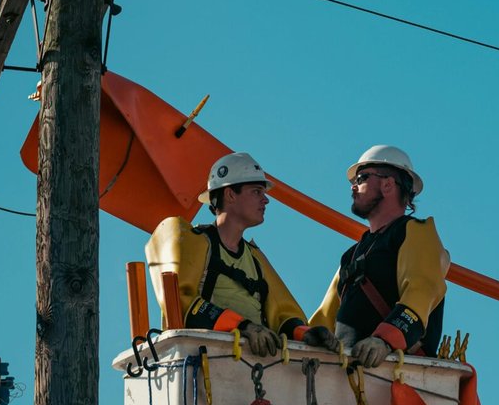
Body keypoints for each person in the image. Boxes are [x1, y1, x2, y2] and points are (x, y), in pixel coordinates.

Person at [145, 152, 338, 357]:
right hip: (205, 363)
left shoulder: (255, 259)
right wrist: (244, 327)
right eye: (256, 192)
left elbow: (284, 314)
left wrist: (306, 334)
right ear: (230, 194)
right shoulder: (196, 242)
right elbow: (183, 301)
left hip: (252, 369)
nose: (265, 200)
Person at [309, 145, 448, 367]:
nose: (353, 187)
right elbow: (325, 316)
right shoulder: (352, 255)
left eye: (362, 178)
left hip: (396, 370)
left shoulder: (414, 231)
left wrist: (384, 340)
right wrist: (302, 336)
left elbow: (422, 289)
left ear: (388, 184)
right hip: (344, 371)